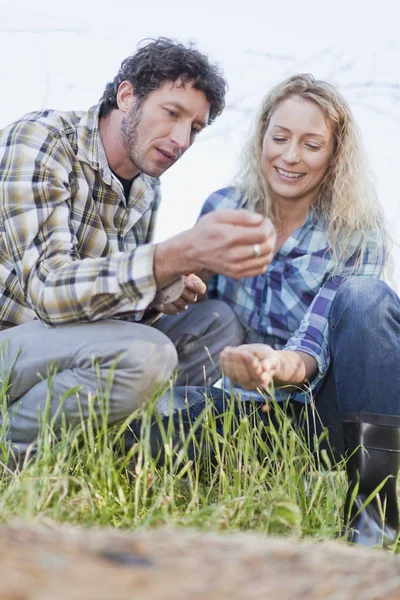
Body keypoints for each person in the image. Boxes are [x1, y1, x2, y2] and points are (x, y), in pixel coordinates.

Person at [0, 37, 277, 466]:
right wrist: (170, 256)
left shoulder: (147, 186)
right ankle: (14, 452)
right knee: (148, 355)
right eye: (172, 113)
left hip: (70, 345)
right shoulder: (42, 140)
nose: (182, 139)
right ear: (127, 97)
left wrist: (157, 293)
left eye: (196, 129)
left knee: (215, 323)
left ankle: (123, 453)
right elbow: (50, 292)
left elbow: (107, 311)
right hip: (12, 347)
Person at [153, 74, 400, 548]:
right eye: (280, 137)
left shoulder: (356, 229)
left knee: (367, 297)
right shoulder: (224, 207)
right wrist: (179, 286)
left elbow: (313, 345)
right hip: (243, 411)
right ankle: (220, 484)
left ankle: (376, 515)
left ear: (334, 155)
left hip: (323, 412)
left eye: (311, 144)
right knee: (140, 429)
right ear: (262, 135)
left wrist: (274, 365)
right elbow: (198, 313)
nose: (290, 156)